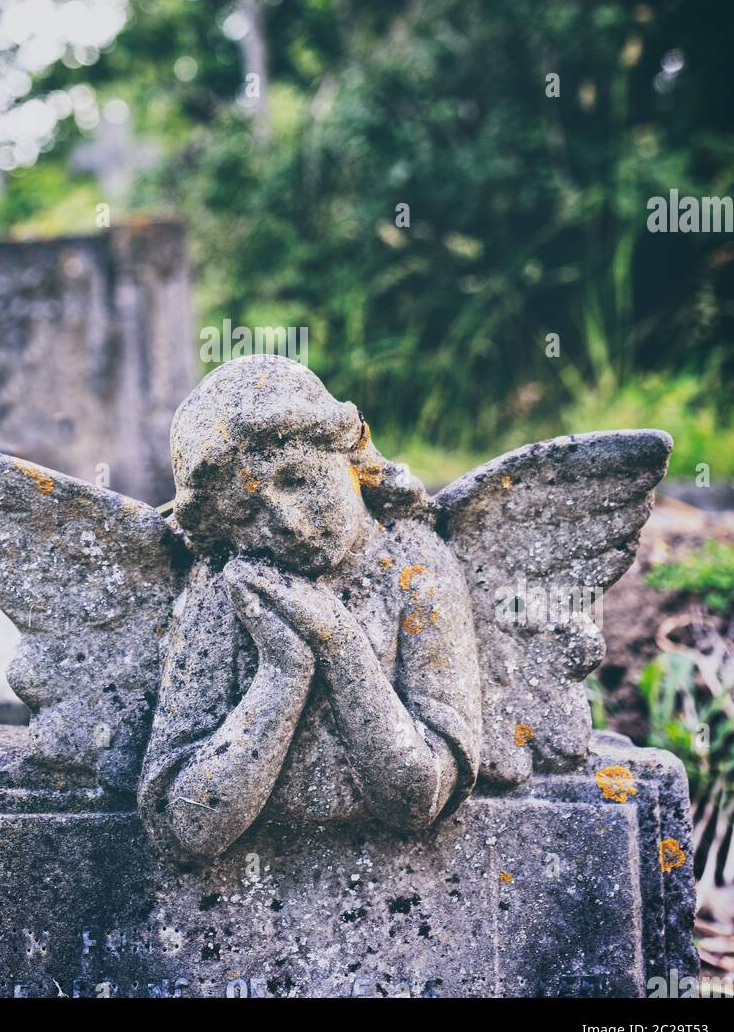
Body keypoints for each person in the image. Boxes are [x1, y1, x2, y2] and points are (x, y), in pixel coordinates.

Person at [139, 355, 481, 863]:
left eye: (298, 480)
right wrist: (284, 671)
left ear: (350, 459)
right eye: (247, 512)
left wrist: (340, 647)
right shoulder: (220, 587)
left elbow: (419, 797)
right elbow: (186, 826)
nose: (291, 524)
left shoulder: (416, 564)